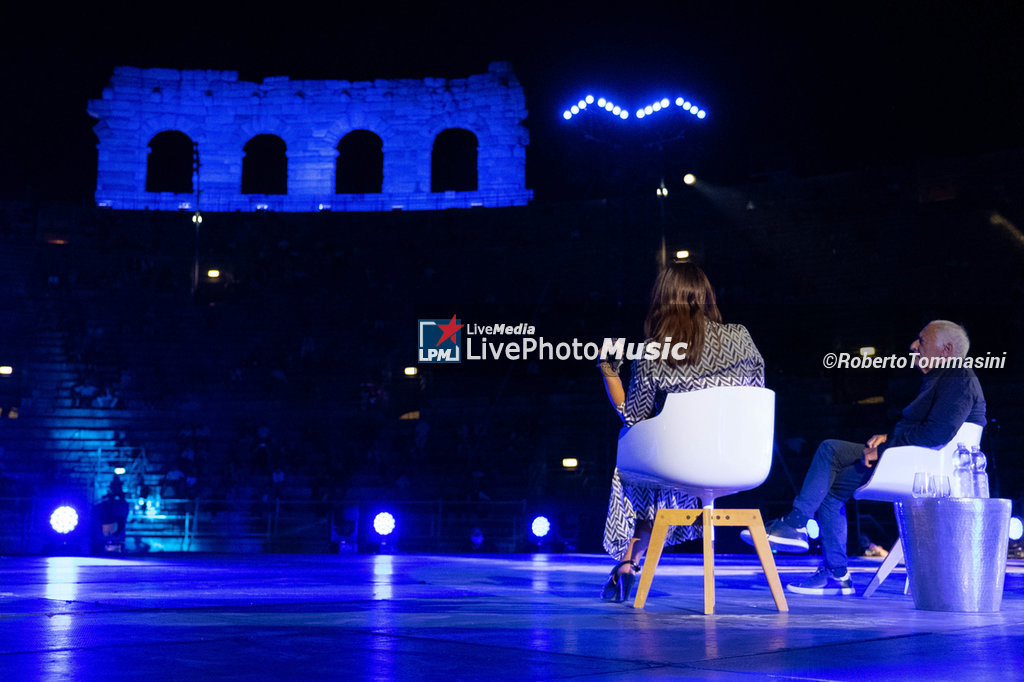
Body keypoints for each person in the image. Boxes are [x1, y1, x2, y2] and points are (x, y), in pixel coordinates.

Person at [742, 320, 986, 596]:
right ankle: (818, 552)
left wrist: (883, 450)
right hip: (905, 455)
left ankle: (803, 533)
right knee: (830, 459)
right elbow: (924, 427)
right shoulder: (943, 378)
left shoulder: (958, 377)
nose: (913, 346)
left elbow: (937, 433)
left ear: (946, 350)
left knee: (831, 477)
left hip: (921, 468)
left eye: (921, 341)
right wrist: (887, 438)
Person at [598, 262, 765, 602]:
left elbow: (634, 419)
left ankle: (628, 561)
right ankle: (632, 560)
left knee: (633, 454)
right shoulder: (742, 337)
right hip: (740, 459)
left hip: (681, 465)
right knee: (661, 456)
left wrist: (608, 370)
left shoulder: (652, 352)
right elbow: (757, 394)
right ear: (706, 297)